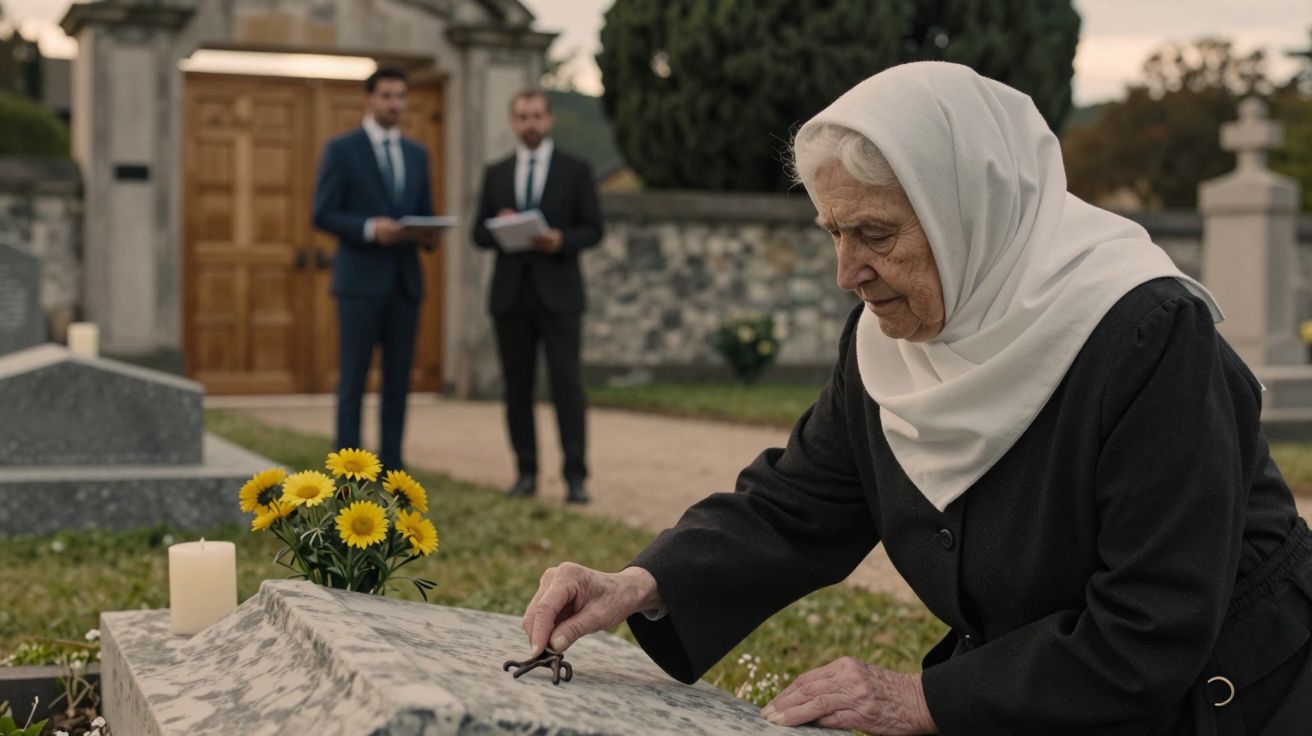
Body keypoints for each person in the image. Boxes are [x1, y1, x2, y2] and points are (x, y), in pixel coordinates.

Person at [516, 63, 1312, 734]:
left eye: (875, 233)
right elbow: (798, 503)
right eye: (833, 232)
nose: (846, 272)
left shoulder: (1149, 334)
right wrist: (638, 583)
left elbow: (1156, 622)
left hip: (1225, 701)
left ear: (971, 214)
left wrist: (920, 697)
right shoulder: (889, 339)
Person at [472, 90, 603, 504]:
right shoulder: (496, 173)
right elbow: (477, 233)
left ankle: (576, 477)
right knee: (517, 389)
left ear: (549, 120)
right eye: (522, 117)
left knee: (567, 386)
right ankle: (525, 472)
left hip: (560, 295)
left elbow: (594, 228)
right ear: (514, 121)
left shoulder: (576, 170)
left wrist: (560, 239)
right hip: (510, 296)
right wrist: (501, 225)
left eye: (537, 116)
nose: (530, 124)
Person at [312, 66, 437, 471]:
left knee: (398, 385)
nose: (395, 104)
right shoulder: (342, 149)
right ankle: (348, 471)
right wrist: (369, 228)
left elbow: (425, 213)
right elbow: (323, 213)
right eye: (386, 96)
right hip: (359, 284)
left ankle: (393, 467)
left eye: (400, 96)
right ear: (368, 99)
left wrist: (429, 233)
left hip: (405, 284)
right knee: (353, 383)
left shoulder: (418, 154)